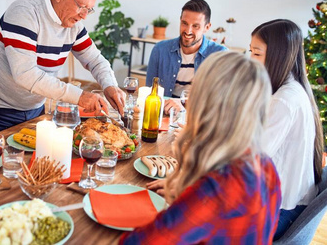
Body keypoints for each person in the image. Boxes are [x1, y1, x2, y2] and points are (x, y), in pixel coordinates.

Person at [120, 51, 281, 244]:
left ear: (207, 105)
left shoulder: (215, 190)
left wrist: (188, 197)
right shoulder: (266, 166)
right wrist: (187, 189)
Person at [0, 0, 125, 132]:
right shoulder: (24, 13)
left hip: (35, 109)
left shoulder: (73, 26)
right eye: (81, 6)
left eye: (89, 9)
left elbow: (95, 60)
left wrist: (110, 85)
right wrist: (79, 96)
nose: (84, 16)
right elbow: (25, 74)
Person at [249, 19, 324, 240]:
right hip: (289, 200)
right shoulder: (291, 89)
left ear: (277, 56)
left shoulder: (285, 100)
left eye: (257, 54)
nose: (251, 60)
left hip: (283, 209)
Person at [146, 0, 227, 114]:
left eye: (196, 26)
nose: (188, 31)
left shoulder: (220, 55)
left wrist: (183, 109)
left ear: (207, 27)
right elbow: (150, 93)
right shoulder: (160, 50)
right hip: (163, 116)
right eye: (184, 23)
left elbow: (220, 102)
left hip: (197, 120)